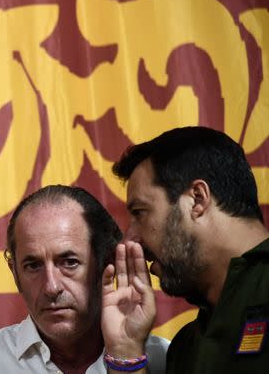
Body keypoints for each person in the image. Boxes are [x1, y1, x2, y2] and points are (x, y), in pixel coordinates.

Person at [0, 185, 169, 373]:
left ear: (107, 263)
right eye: (33, 266)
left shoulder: (167, 361)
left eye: (69, 262)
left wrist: (126, 356)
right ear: (14, 272)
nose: (51, 287)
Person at [112, 126, 269, 372]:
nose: (130, 240)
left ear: (197, 198)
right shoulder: (185, 348)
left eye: (140, 212)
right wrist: (127, 348)